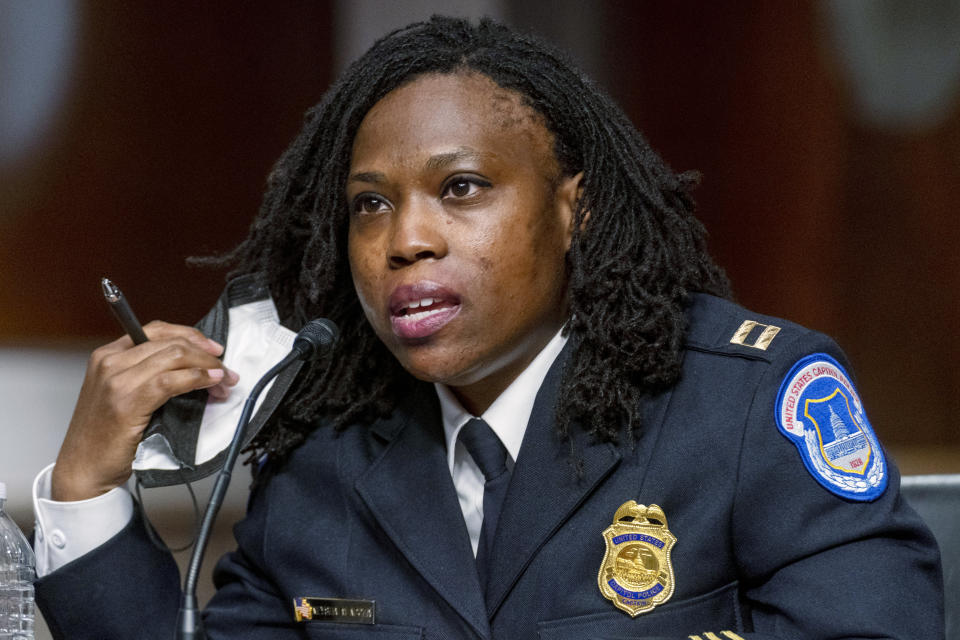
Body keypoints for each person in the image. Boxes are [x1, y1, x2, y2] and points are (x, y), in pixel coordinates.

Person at [31, 16, 943, 640]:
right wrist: (83, 486)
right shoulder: (323, 461)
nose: (405, 240)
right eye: (369, 205)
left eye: (460, 189)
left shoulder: (745, 406)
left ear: (572, 212)